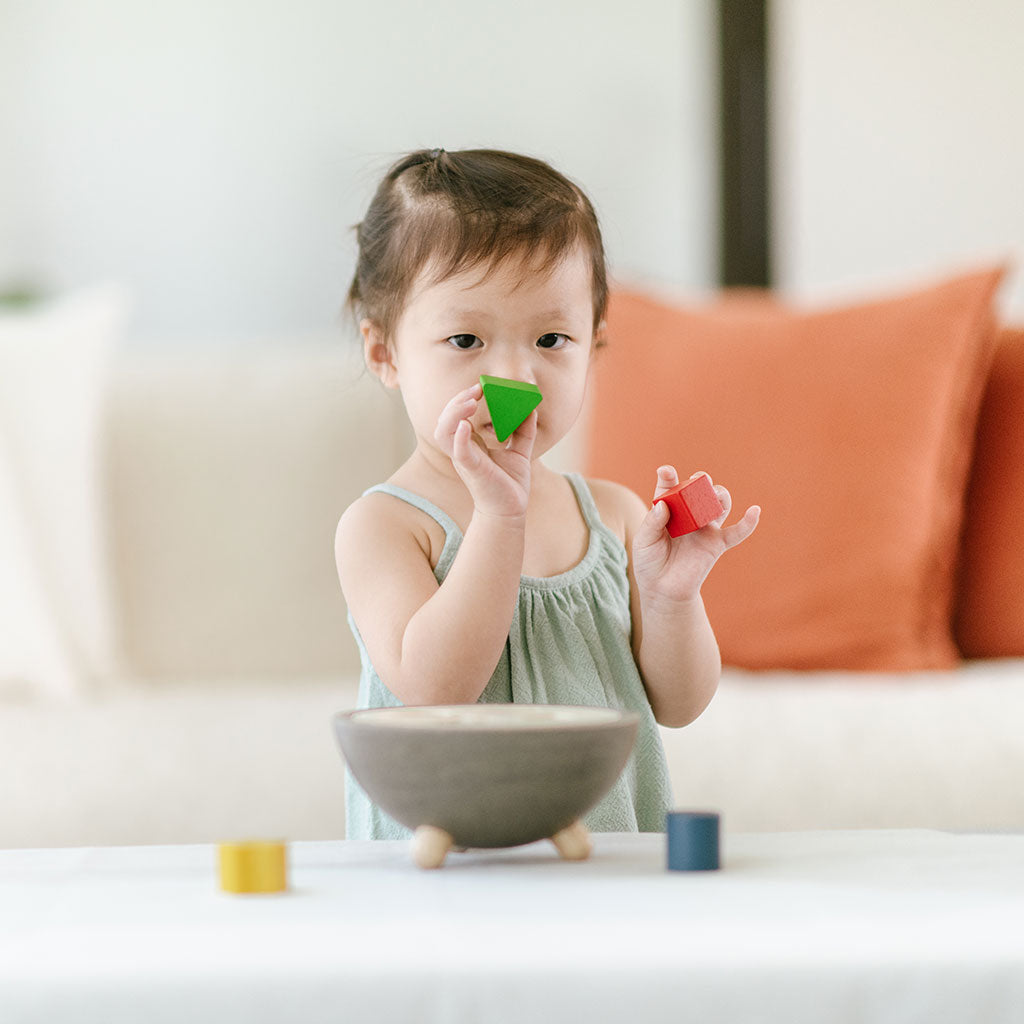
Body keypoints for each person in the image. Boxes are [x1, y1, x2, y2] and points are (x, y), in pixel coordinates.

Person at [335, 148, 760, 840]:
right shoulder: (383, 527)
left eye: (551, 338)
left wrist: (671, 598)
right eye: (466, 338)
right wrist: (502, 514)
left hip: (601, 861)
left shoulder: (615, 515)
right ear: (384, 353)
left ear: (593, 347)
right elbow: (435, 690)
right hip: (448, 880)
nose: (513, 374)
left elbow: (680, 704)